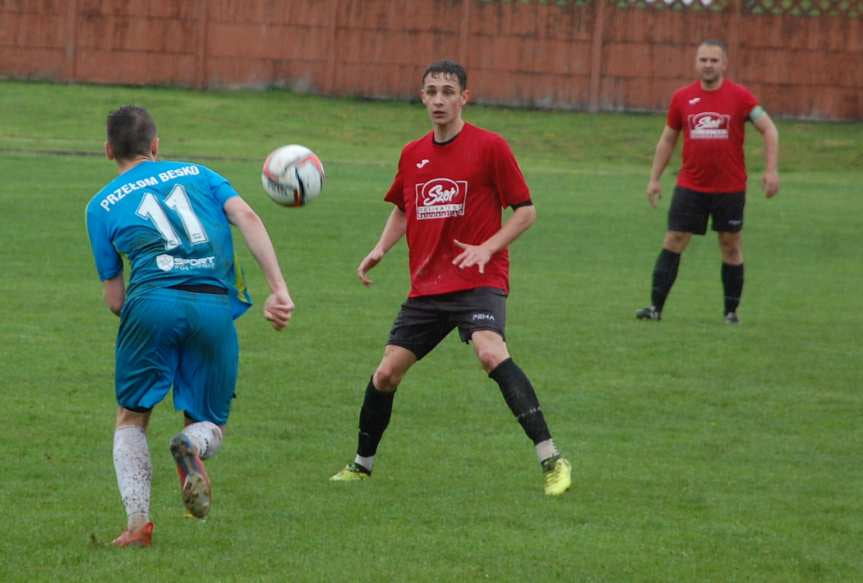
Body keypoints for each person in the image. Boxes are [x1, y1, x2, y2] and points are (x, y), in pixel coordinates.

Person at [329, 60, 571, 496]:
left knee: (490, 352)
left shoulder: (490, 146)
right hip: (427, 286)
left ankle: (552, 458)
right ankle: (361, 465)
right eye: (431, 91)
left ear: (464, 97)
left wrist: (488, 247)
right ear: (422, 97)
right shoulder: (412, 153)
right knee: (385, 375)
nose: (439, 99)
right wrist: (380, 249)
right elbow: (403, 208)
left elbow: (527, 212)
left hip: (479, 276)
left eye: (448, 91)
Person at [86, 105, 295, 547]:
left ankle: (138, 524)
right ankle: (191, 443)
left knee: (132, 416)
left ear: (108, 151)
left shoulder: (100, 205)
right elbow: (249, 218)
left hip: (149, 304)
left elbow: (114, 299)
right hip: (213, 306)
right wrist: (278, 289)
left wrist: (149, 323)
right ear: (156, 145)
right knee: (208, 421)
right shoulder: (201, 174)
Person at [636, 40, 780, 324]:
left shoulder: (741, 97)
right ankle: (655, 309)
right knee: (674, 239)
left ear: (724, 64)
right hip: (691, 186)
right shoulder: (682, 98)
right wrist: (654, 178)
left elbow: (769, 128)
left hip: (730, 188)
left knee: (730, 244)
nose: (708, 65)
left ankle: (730, 313)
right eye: (703, 60)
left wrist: (771, 170)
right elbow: (668, 139)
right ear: (696, 63)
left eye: (714, 60)